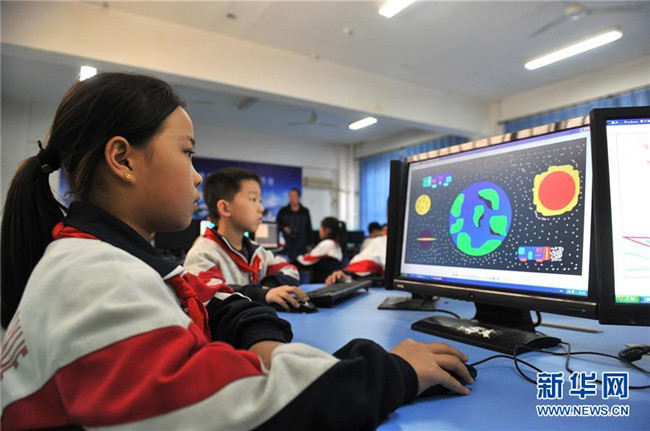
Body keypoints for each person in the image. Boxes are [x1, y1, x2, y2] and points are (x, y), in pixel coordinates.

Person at [1, 73, 473, 430]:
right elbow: (252, 412)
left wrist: (266, 344)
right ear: (123, 159)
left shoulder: (115, 259)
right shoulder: (94, 279)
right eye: (187, 152)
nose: (196, 176)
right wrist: (391, 371)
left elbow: (213, 300)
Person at [184, 167, 308, 311]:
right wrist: (262, 294)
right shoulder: (203, 254)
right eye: (253, 199)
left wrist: (268, 288)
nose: (261, 208)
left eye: (260, 200)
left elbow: (290, 270)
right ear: (225, 208)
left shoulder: (257, 252)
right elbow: (211, 295)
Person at [296, 216, 346, 283]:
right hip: (331, 281)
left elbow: (306, 260)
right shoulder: (335, 244)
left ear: (327, 230)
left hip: (324, 281)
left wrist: (297, 256)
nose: (319, 231)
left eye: (321, 228)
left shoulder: (327, 243)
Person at [276, 188, 312, 261]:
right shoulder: (283, 211)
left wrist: (309, 244)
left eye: (294, 196)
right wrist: (284, 227)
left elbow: (308, 228)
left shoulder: (305, 211)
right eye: (290, 196)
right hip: (287, 245)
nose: (292, 198)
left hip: (302, 246)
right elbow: (276, 225)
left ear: (299, 197)